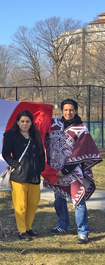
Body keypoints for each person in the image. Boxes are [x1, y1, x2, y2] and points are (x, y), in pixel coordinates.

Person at [44, 99, 102, 244]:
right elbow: (41, 132)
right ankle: (62, 225)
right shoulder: (53, 124)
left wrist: (65, 170)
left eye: (71, 110)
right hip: (55, 171)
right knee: (58, 198)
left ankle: (83, 232)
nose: (68, 112)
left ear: (75, 111)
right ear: (62, 110)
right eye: (65, 110)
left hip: (73, 171)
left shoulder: (81, 129)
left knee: (78, 200)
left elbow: (80, 152)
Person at [2, 110, 45, 241]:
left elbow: (41, 153)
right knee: (20, 204)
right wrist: (15, 165)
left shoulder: (35, 135)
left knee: (33, 202)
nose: (25, 124)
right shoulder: (11, 135)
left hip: (34, 174)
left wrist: (40, 168)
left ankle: (28, 227)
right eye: (22, 121)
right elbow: (5, 153)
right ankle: (21, 231)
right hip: (19, 175)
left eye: (27, 121)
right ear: (17, 122)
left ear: (31, 123)